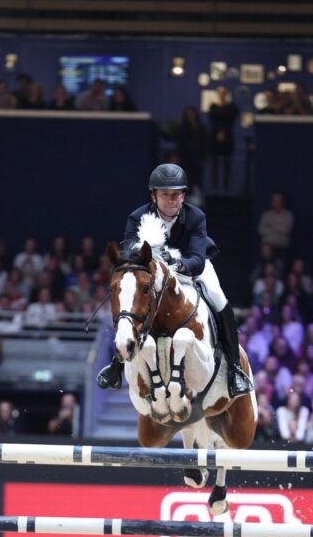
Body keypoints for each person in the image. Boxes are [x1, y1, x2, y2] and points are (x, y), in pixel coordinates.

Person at [95, 163, 252, 398]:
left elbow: (198, 259)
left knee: (219, 298)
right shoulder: (137, 217)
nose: (171, 200)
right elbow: (128, 254)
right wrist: (147, 255)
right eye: (165, 195)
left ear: (184, 196)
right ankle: (116, 367)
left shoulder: (196, 217)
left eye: (176, 194)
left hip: (189, 268)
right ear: (153, 196)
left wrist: (176, 264)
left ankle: (234, 370)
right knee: (129, 299)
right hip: (151, 269)